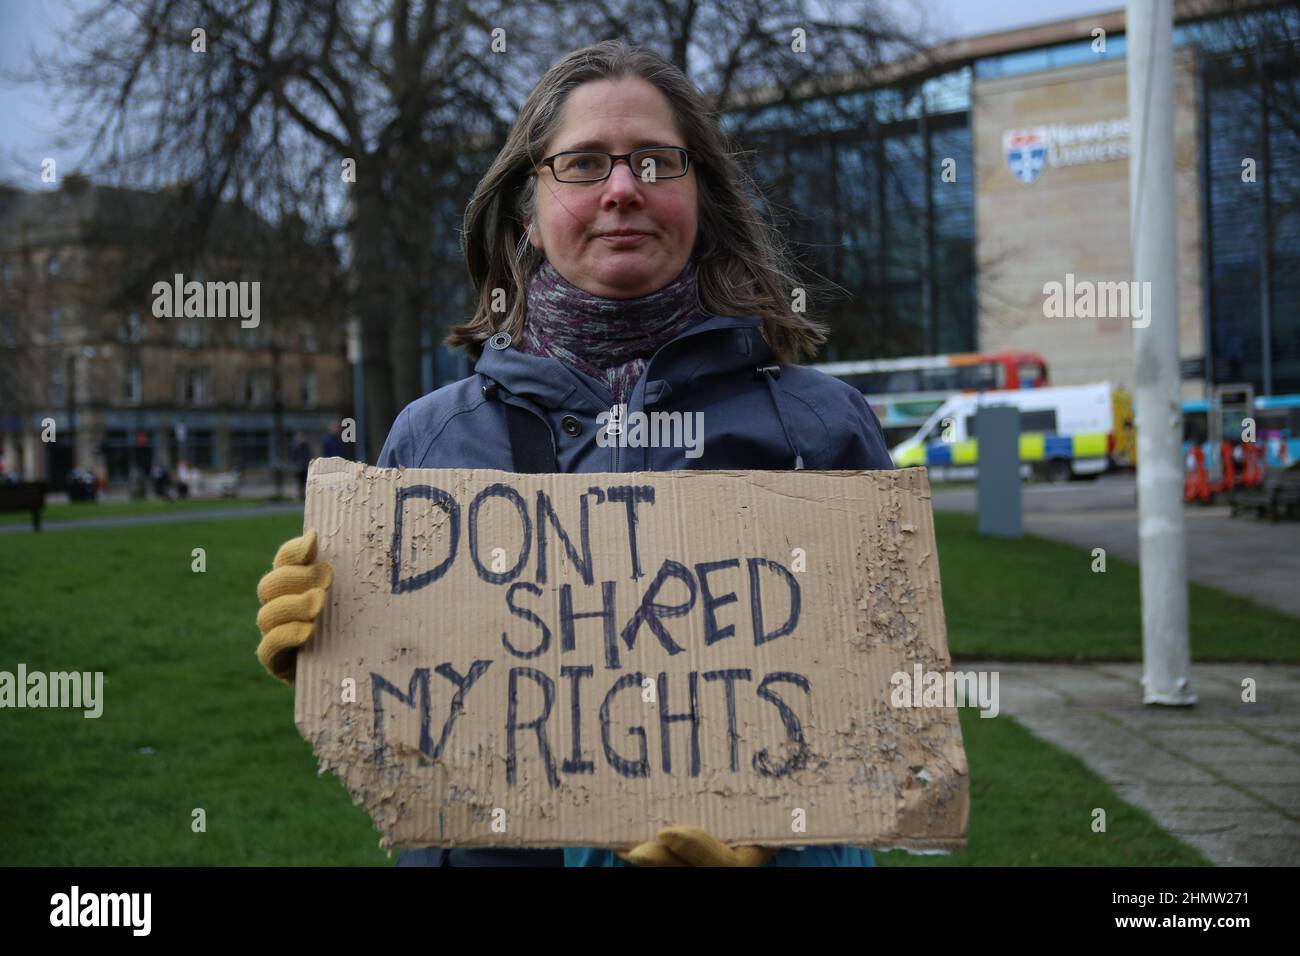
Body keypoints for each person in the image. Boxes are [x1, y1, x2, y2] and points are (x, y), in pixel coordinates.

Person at [255, 40, 892, 867]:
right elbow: (406, 736)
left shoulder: (821, 426)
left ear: (700, 194)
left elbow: (876, 731)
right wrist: (337, 660)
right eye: (584, 163)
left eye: (657, 163)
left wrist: (778, 854)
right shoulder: (429, 437)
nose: (623, 189)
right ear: (528, 208)